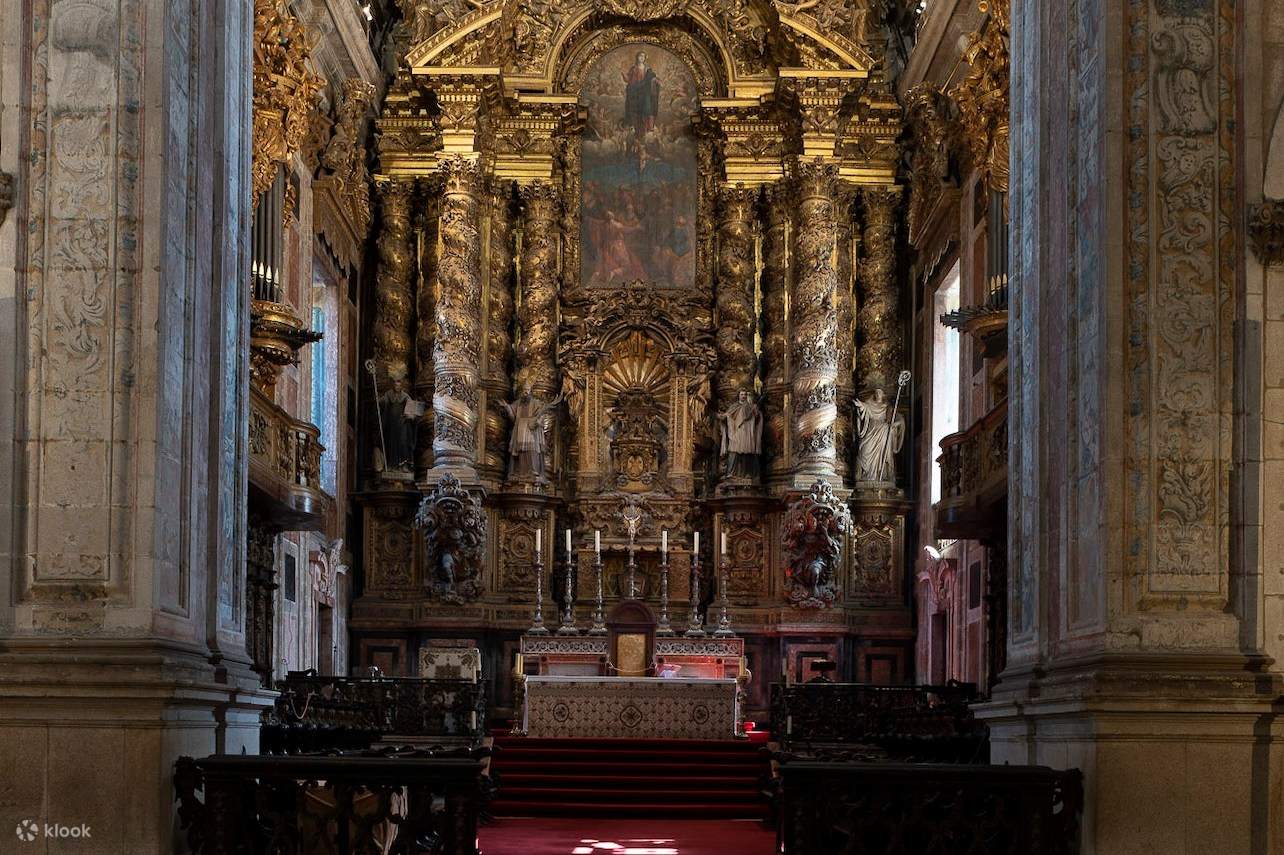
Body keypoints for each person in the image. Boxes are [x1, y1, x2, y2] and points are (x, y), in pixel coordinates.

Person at [502, 383, 563, 481]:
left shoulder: (536, 403)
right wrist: (507, 407)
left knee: (532, 450)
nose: (525, 392)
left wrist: (537, 421)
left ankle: (533, 471)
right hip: (520, 429)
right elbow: (513, 417)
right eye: (524, 390)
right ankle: (520, 472)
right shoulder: (518, 403)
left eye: (527, 390)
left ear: (531, 391)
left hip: (532, 431)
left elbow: (542, 415)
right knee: (520, 452)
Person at [854, 387, 906, 484]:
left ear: (883, 395)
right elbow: (864, 408)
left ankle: (882, 476)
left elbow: (898, 419)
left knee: (886, 429)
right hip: (871, 430)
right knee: (864, 450)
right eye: (876, 393)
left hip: (883, 432)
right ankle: (867, 475)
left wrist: (895, 424)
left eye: (880, 393)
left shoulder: (887, 407)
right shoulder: (869, 404)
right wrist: (860, 405)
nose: (878, 395)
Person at [717, 389, 763, 480]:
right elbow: (727, 415)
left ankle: (747, 474)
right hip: (737, 431)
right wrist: (723, 417)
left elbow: (757, 418)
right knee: (734, 451)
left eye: (745, 394)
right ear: (738, 395)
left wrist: (755, 411)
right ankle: (731, 473)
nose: (743, 396)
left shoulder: (751, 406)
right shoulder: (734, 406)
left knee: (748, 452)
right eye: (742, 394)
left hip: (748, 432)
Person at [622, 50, 660, 139]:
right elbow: (628, 80)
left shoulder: (648, 70)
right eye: (640, 56)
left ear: (645, 58)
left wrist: (655, 80)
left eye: (643, 56)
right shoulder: (633, 69)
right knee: (635, 110)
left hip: (645, 92)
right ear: (637, 57)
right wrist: (624, 75)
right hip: (635, 92)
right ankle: (635, 127)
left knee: (647, 109)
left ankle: (649, 128)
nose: (641, 58)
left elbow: (653, 78)